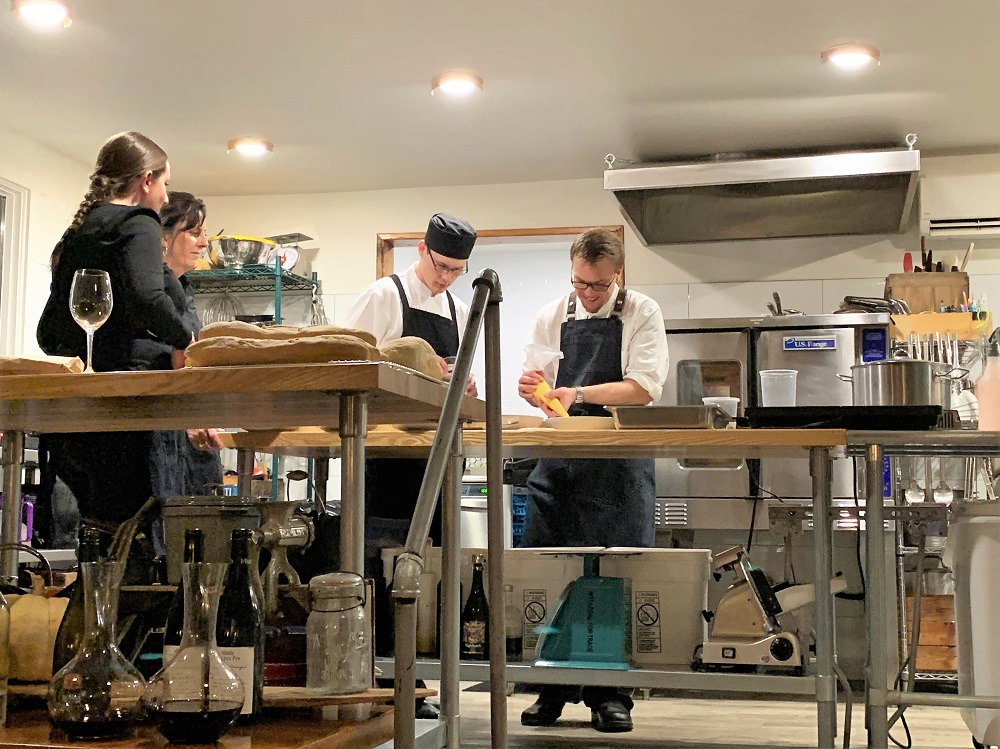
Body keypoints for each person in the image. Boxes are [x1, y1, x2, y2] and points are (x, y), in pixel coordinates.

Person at [516, 227, 668, 733]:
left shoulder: (642, 312)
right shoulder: (551, 315)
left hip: (617, 466)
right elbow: (537, 384)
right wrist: (532, 389)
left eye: (599, 285)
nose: (588, 293)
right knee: (553, 575)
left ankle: (609, 694)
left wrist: (577, 393)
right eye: (580, 282)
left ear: (617, 274)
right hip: (558, 463)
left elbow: (642, 388)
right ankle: (551, 688)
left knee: (612, 579)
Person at [345, 212, 477, 719]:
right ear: (421, 250)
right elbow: (351, 366)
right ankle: (381, 676)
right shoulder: (384, 296)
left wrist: (462, 382)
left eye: (457, 270)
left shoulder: (459, 309)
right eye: (441, 266)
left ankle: (417, 676)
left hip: (436, 455)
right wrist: (413, 370)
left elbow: (457, 383)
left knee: (429, 565)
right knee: (381, 562)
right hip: (386, 454)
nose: (446, 278)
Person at [36, 131, 193, 529]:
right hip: (129, 395)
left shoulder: (81, 230)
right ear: (146, 180)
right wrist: (186, 342)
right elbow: (148, 299)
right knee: (134, 527)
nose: (165, 197)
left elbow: (48, 330)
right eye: (165, 183)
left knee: (100, 527)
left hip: (79, 402)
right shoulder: (139, 222)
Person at [141, 192, 223, 514]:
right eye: (194, 232)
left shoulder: (184, 289)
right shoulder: (144, 291)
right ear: (164, 237)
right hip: (154, 429)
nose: (204, 243)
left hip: (186, 430)